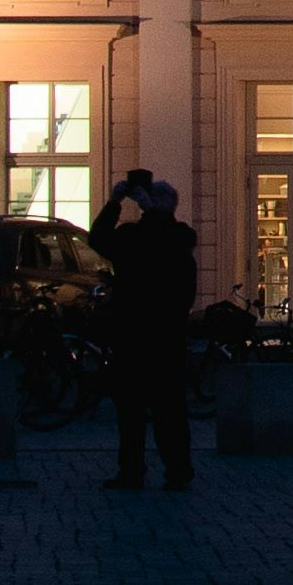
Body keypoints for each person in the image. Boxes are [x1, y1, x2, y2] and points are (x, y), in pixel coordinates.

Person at [88, 171, 197, 492]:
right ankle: (177, 472)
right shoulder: (179, 240)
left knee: (133, 414)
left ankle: (133, 472)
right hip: (167, 340)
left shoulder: (137, 238)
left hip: (134, 337)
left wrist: (115, 203)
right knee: (169, 413)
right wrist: (152, 212)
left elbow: (99, 239)